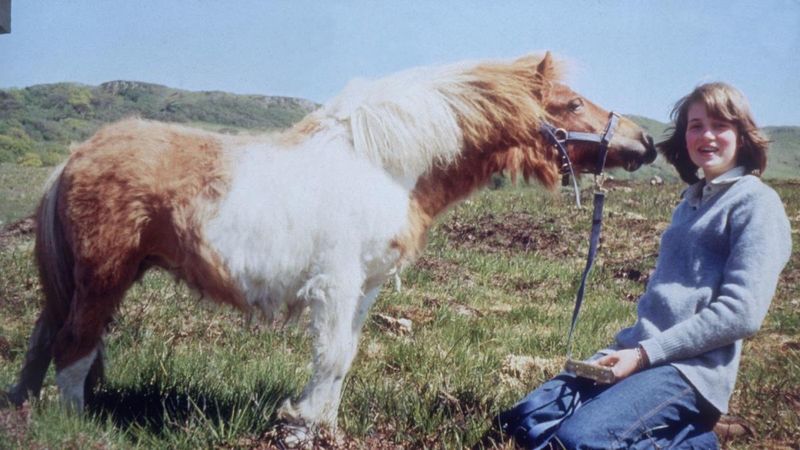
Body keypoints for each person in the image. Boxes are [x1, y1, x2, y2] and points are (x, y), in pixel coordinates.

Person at [492, 82, 792, 449]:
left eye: (720, 125)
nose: (706, 136)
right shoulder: (690, 202)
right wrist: (629, 353)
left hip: (689, 372)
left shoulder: (757, 203)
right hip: (639, 354)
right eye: (695, 126)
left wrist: (643, 355)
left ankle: (698, 442)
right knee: (522, 422)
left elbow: (742, 314)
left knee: (577, 442)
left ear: (742, 135)